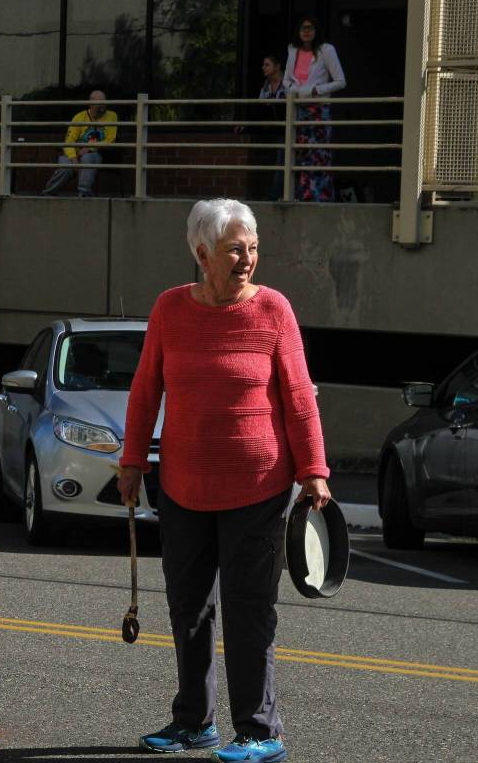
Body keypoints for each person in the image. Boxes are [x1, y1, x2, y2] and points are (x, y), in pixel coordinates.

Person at [117, 199, 331, 763]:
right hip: (184, 486)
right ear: (202, 252)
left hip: (258, 487)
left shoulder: (273, 311)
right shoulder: (169, 310)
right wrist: (132, 461)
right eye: (236, 249)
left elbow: (299, 396)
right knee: (188, 608)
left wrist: (313, 469)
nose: (248, 259)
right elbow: (145, 392)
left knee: (248, 609)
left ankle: (259, 731)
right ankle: (193, 723)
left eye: (253, 247)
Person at [282, 15, 346, 202]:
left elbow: (340, 81)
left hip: (318, 109)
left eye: (310, 28)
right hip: (298, 109)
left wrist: (317, 90)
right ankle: (300, 197)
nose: (307, 31)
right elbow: (286, 79)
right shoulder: (292, 50)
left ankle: (320, 198)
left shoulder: (326, 50)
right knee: (299, 155)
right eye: (303, 28)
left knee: (318, 156)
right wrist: (295, 90)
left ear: (316, 31)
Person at [41, 90, 118, 197]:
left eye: (104, 104)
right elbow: (69, 142)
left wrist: (90, 147)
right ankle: (48, 193)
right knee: (66, 167)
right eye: (99, 105)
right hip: (74, 153)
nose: (102, 108)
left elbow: (111, 140)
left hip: (94, 153)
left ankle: (84, 194)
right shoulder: (79, 117)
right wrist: (74, 160)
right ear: (90, 105)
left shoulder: (112, 116)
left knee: (88, 159)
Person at [258, 55, 287, 201]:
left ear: (277, 67)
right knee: (277, 163)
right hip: (273, 131)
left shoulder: (288, 84)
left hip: (288, 130)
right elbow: (259, 108)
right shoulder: (265, 87)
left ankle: (273, 197)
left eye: (267, 64)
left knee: (282, 164)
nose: (263, 68)